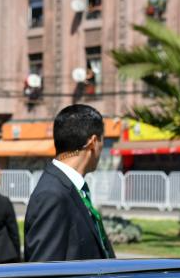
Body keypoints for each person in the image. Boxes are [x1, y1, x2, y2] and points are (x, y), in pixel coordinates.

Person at [24, 104, 113, 262]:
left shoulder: (69, 186)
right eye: (102, 141)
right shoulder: (52, 195)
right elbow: (44, 269)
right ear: (93, 142)